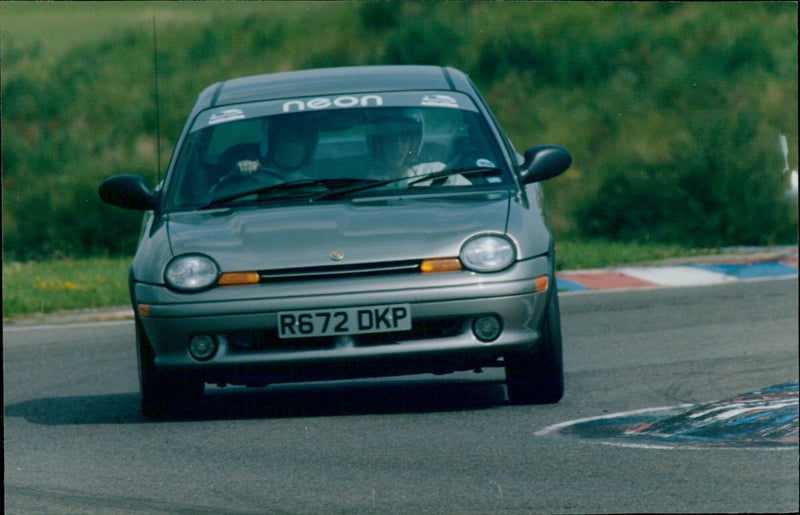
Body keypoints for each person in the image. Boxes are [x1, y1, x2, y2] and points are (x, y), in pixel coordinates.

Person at [366, 109, 469, 187]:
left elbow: (475, 197)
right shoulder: (365, 184)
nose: (397, 148)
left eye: (404, 140)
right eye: (391, 141)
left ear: (413, 144)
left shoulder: (437, 172)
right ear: (379, 144)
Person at [234, 114, 318, 181]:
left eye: (297, 141)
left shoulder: (311, 185)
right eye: (286, 139)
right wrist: (244, 170)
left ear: (307, 151)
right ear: (273, 145)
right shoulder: (253, 174)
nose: (290, 146)